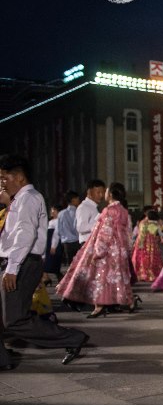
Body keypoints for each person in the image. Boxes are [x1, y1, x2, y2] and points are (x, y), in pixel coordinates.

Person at [0, 158, 89, 370]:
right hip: (15, 261)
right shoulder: (17, 199)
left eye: (4, 177)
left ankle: (73, 338)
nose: (1, 182)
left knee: (15, 320)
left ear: (19, 177)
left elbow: (24, 234)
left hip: (23, 263)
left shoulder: (29, 198)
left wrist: (12, 268)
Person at [57, 179, 137, 320]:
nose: (103, 194)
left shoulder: (108, 210)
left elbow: (104, 233)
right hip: (120, 251)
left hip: (108, 251)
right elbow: (128, 233)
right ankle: (129, 302)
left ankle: (99, 307)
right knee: (120, 278)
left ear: (110, 194)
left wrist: (98, 251)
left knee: (100, 278)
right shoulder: (124, 211)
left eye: (105, 191)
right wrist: (126, 250)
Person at [131, 208, 163, 282]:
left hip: (143, 243)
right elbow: (161, 233)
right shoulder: (156, 224)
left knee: (143, 258)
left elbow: (141, 235)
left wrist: (138, 245)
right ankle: (153, 274)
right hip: (152, 243)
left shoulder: (143, 223)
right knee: (153, 258)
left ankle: (142, 274)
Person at [75, 179, 105, 246]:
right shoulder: (84, 207)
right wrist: (99, 223)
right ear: (89, 192)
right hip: (87, 244)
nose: (101, 195)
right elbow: (81, 227)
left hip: (93, 243)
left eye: (103, 192)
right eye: (98, 192)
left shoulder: (93, 207)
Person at [56, 191, 81, 267]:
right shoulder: (77, 212)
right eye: (78, 199)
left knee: (70, 264)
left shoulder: (61, 213)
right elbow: (76, 228)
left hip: (66, 243)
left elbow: (59, 230)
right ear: (73, 200)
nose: (79, 201)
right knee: (79, 264)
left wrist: (63, 238)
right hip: (77, 241)